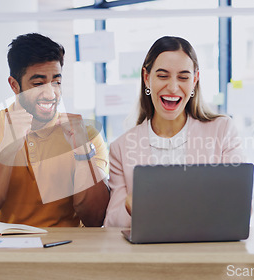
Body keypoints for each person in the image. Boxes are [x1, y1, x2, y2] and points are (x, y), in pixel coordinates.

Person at [0, 33, 110, 227]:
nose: (50, 93)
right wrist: (8, 147)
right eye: (38, 83)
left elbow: (96, 218)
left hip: (65, 250)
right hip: (4, 250)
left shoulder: (85, 134)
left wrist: (83, 154)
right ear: (15, 85)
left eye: (56, 82)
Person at [104, 36, 245, 227]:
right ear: (147, 78)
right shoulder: (121, 148)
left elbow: (242, 207)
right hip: (148, 254)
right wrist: (132, 202)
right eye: (162, 76)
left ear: (195, 80)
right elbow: (112, 224)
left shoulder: (222, 130)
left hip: (207, 251)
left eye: (183, 77)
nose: (172, 87)